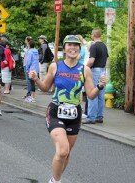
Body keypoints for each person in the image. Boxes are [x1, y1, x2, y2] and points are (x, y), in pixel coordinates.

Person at [28, 35, 107, 183]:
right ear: (64, 49)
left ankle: (55, 179)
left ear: (80, 49)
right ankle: (55, 182)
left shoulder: (85, 70)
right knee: (62, 150)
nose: (73, 48)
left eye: (76, 45)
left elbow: (90, 95)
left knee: (66, 153)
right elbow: (45, 88)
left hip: (75, 115)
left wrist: (100, 86)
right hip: (56, 111)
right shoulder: (55, 66)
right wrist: (36, 79)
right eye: (69, 45)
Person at [83, 29, 109, 124]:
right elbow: (107, 60)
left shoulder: (94, 46)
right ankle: (99, 116)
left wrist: (85, 68)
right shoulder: (104, 46)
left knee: (92, 93)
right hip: (103, 70)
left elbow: (91, 61)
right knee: (101, 95)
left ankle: (91, 117)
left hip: (95, 70)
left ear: (92, 35)